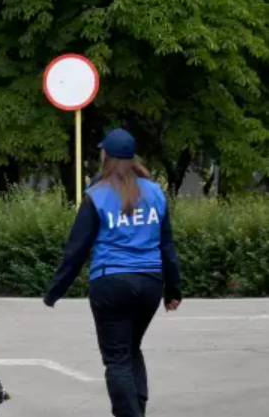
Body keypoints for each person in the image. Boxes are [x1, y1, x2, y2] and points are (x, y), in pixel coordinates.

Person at [44, 129, 182, 417]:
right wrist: (173, 291)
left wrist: (55, 290)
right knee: (132, 350)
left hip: (111, 283)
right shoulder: (155, 192)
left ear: (105, 155)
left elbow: (77, 250)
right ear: (133, 158)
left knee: (117, 359)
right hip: (150, 283)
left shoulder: (97, 195)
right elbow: (167, 246)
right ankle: (137, 411)